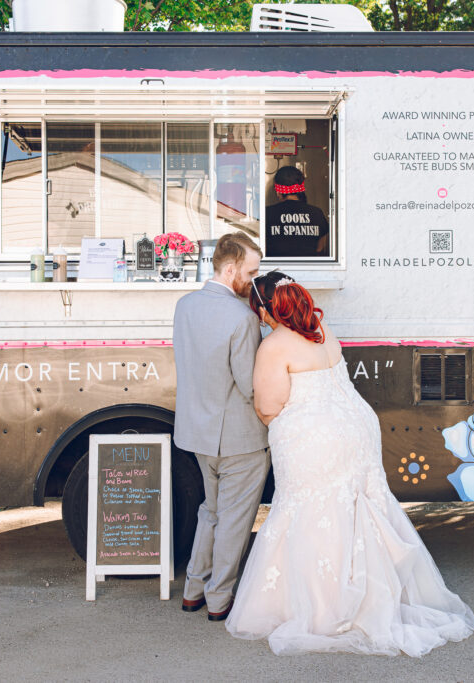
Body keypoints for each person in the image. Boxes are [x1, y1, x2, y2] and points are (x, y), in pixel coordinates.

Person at [225, 271, 474, 656]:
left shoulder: (274, 345)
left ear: (266, 308)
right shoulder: (321, 328)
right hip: (357, 428)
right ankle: (371, 597)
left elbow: (267, 406)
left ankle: (325, 609)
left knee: (310, 511)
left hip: (315, 438)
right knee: (357, 509)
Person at [172, 231, 270, 622]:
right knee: (234, 520)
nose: (253, 280)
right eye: (250, 271)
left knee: (210, 512)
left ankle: (194, 589)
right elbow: (250, 387)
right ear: (230, 269)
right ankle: (219, 599)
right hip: (239, 438)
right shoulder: (242, 318)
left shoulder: (184, 307)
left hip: (197, 432)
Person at [264, 166, 330, 258]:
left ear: (278, 192)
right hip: (308, 268)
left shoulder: (267, 213)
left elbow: (263, 249)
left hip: (276, 269)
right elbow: (319, 248)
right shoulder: (316, 213)